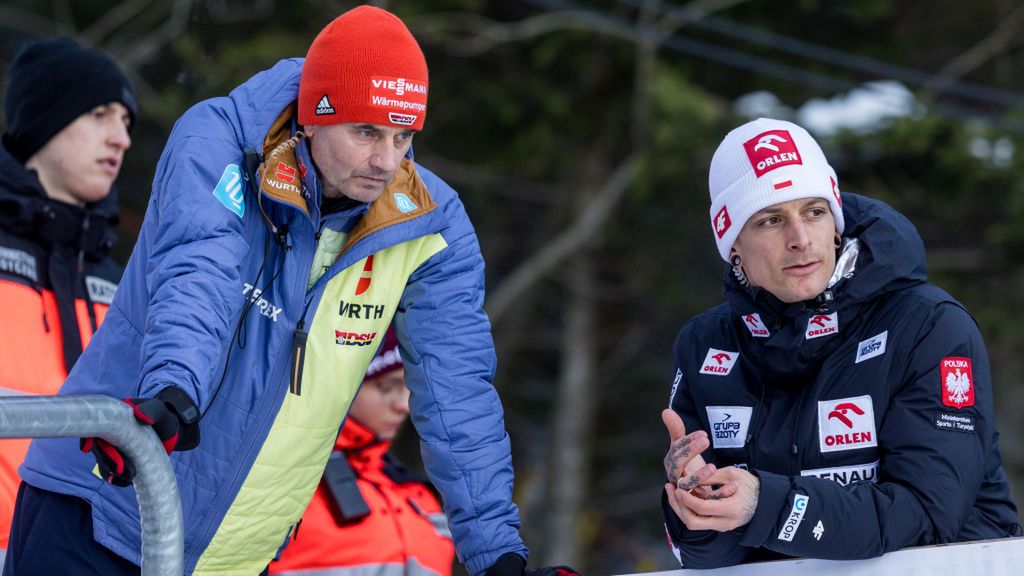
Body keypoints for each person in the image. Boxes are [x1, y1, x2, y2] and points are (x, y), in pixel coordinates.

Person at [7, 7, 576, 576]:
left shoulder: (429, 222)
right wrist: (171, 393)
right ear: (315, 115)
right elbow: (198, 271)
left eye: (403, 136)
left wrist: (497, 557)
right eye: (366, 132)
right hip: (98, 510)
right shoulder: (221, 142)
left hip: (233, 557)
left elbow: (458, 393)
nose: (387, 161)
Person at [660, 118, 1020, 568]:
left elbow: (929, 516)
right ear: (733, 245)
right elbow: (710, 557)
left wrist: (766, 505)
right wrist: (701, 506)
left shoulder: (927, 325)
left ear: (836, 224)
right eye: (771, 220)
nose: (800, 239)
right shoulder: (705, 345)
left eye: (814, 211)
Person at [0, 37, 134, 558]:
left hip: (80, 557)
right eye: (100, 114)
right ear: (44, 121)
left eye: (126, 121)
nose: (121, 137)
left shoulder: (123, 283)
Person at [269, 326, 454, 576]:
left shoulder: (420, 495)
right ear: (344, 383)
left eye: (411, 387)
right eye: (387, 386)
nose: (404, 405)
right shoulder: (280, 479)